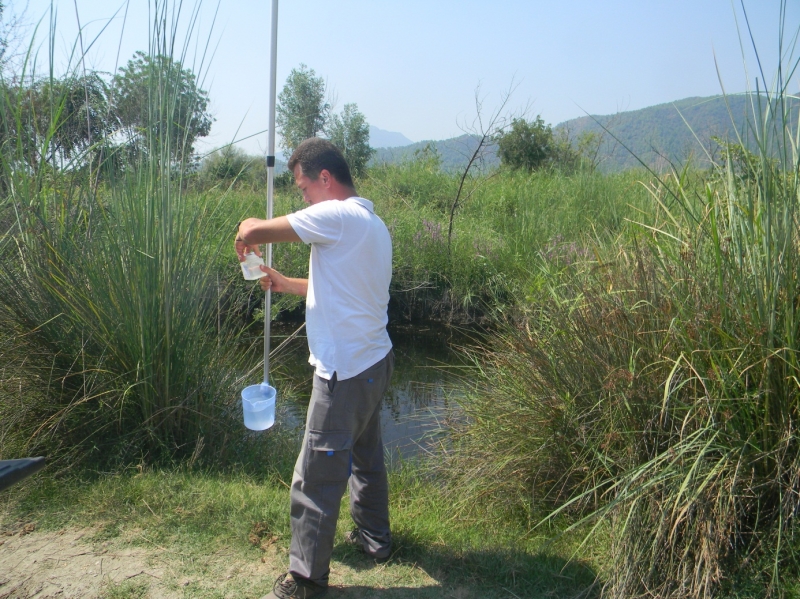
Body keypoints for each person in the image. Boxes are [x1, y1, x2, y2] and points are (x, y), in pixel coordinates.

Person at [235, 137, 394, 599]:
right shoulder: (371, 223)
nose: (302, 197)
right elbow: (343, 290)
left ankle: (305, 581)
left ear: (325, 179)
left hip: (342, 374)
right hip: (374, 363)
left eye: (303, 187)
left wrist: (246, 233)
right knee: (366, 461)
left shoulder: (337, 215)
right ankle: (374, 539)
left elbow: (255, 229)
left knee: (315, 479)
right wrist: (285, 284)